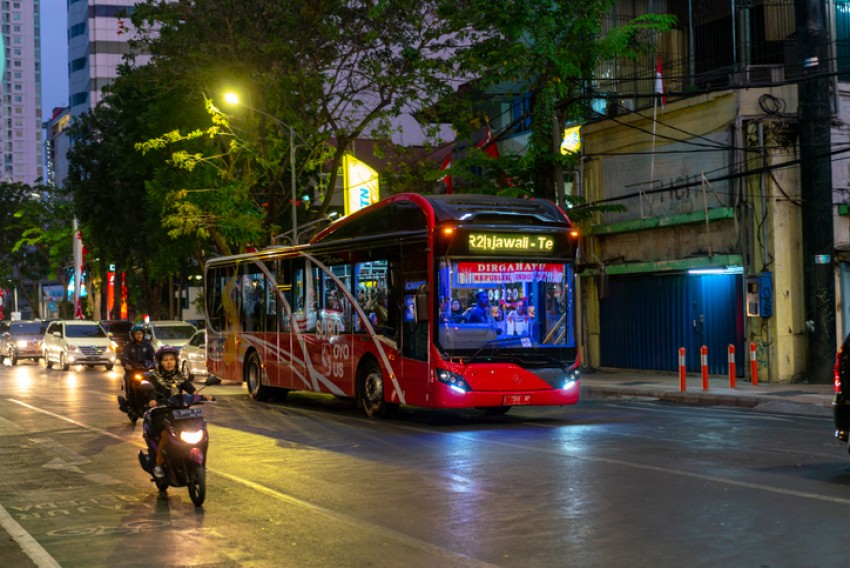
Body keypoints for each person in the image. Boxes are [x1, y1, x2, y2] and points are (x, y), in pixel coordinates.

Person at [144, 347, 213, 479]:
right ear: (160, 363)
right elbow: (151, 393)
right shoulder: (155, 379)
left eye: (171, 359)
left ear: (176, 361)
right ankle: (158, 464)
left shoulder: (180, 377)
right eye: (165, 360)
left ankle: (199, 461)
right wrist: (153, 401)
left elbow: (192, 391)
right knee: (165, 435)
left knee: (201, 427)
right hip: (162, 413)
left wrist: (204, 397)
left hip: (181, 413)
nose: (169, 362)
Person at [118, 324, 155, 419]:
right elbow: (124, 358)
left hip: (146, 372)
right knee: (131, 384)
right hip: (133, 372)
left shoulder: (148, 346)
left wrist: (155, 364)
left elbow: (154, 358)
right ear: (133, 335)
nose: (139, 335)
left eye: (140, 333)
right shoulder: (129, 346)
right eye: (137, 334)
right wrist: (127, 365)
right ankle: (131, 405)